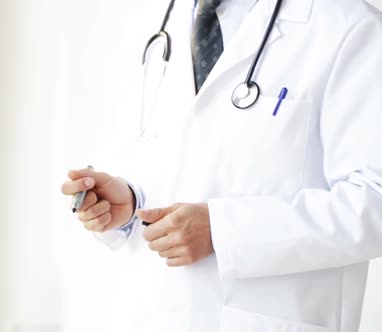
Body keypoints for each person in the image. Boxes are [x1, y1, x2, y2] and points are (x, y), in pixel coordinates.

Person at [61, 0, 382, 331]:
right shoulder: (161, 20)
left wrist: (222, 231)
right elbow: (181, 155)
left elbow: (374, 201)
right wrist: (129, 203)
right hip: (152, 313)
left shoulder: (349, 27)